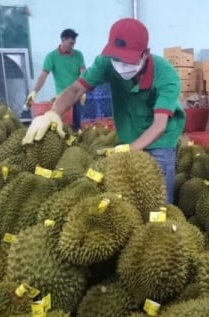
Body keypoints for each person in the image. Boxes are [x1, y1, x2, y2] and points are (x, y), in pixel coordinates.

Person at [22, 18, 185, 204]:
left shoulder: (166, 76)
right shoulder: (106, 63)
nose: (120, 64)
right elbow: (76, 89)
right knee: (127, 199)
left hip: (161, 139)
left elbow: (159, 125)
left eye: (127, 59)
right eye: (117, 58)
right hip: (129, 132)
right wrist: (53, 113)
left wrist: (131, 150)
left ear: (145, 53)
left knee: (159, 201)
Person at [26, 28, 86, 129]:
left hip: (76, 94)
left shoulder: (78, 55)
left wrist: (83, 89)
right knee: (62, 124)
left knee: (76, 124)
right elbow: (43, 75)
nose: (72, 46)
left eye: (74, 43)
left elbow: (83, 72)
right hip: (61, 96)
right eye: (70, 43)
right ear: (63, 40)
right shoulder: (52, 56)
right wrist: (35, 91)